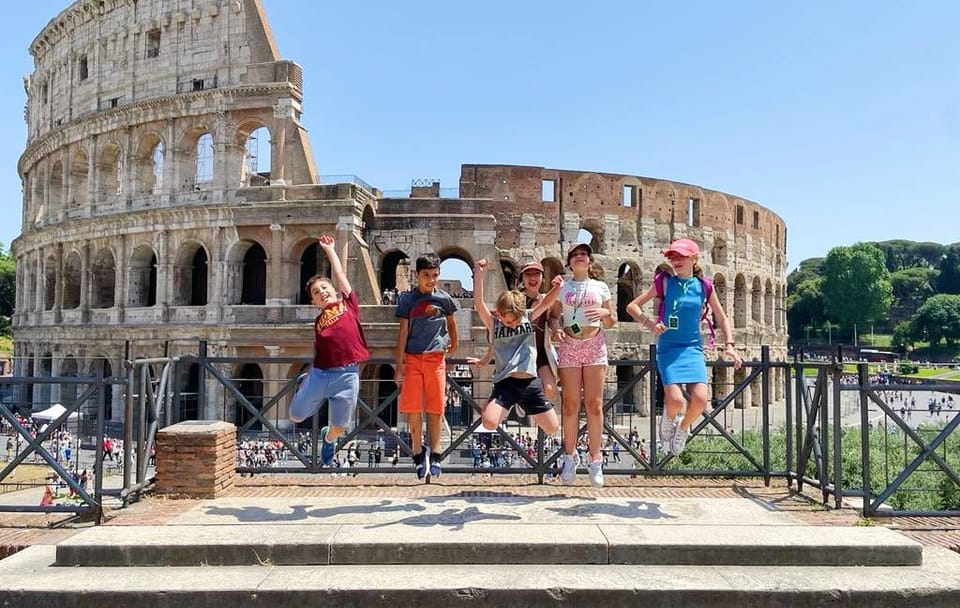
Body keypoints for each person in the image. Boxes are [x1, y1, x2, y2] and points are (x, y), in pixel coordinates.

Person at [625, 238, 742, 456]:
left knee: (699, 399)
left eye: (681, 256)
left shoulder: (704, 286)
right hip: (668, 347)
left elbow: (722, 317)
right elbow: (632, 306)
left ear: (694, 259)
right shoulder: (665, 282)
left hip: (692, 347)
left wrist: (730, 346)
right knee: (677, 400)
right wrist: (650, 324)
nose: (675, 260)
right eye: (673, 257)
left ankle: (682, 428)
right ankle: (668, 419)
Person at [288, 234, 370, 467]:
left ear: (334, 291)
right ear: (314, 303)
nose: (321, 292)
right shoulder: (319, 321)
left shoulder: (349, 305)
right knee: (295, 415)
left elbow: (341, 275)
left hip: (347, 374)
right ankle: (304, 381)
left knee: (340, 427)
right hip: (321, 374)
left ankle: (328, 438)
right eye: (316, 292)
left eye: (324, 287)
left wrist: (330, 250)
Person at [468, 258, 564, 439]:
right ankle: (506, 404)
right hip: (506, 383)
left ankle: (522, 405)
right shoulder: (494, 324)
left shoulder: (527, 317)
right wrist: (479, 275)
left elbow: (546, 304)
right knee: (488, 423)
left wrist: (557, 287)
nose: (512, 324)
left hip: (530, 382)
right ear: (500, 315)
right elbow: (479, 304)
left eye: (515, 320)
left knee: (553, 428)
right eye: (508, 321)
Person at [549, 242, 616, 487]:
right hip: (569, 346)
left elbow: (612, 321)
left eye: (584, 255)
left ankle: (595, 459)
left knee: (595, 405)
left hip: (594, 344)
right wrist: (555, 330)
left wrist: (605, 314)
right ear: (569, 262)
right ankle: (569, 456)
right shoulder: (563, 287)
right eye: (575, 255)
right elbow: (554, 316)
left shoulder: (601, 286)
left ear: (590, 261)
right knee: (569, 405)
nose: (580, 257)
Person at [394, 253, 459, 479]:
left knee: (436, 407)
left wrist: (454, 345)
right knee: (413, 408)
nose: (431, 280)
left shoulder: (444, 299)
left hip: (435, 359)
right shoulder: (407, 300)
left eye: (434, 275)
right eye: (426, 276)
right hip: (412, 357)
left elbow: (452, 324)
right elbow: (402, 331)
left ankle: (437, 453)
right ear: (416, 275)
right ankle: (417, 452)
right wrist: (398, 364)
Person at [517, 260, 559, 400]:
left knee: (550, 389)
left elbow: (553, 318)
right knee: (522, 391)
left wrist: (555, 329)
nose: (533, 278)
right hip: (520, 354)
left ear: (543, 277)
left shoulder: (546, 299)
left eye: (536, 274)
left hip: (540, 353)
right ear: (522, 278)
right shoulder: (515, 300)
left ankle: (538, 419)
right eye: (528, 274)